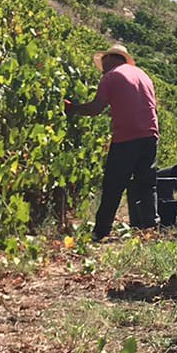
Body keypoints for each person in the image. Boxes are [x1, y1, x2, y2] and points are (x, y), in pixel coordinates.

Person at [67, 43, 160, 241]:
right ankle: (150, 229)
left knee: (113, 184)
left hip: (127, 136)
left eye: (103, 63)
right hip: (150, 134)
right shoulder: (143, 75)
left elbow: (96, 108)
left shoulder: (111, 76)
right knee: (146, 184)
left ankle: (101, 231)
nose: (102, 68)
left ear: (110, 60)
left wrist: (72, 108)